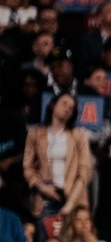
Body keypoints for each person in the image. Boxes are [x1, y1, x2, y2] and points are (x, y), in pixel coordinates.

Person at [22, 93, 93, 221]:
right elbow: (28, 167)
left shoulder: (79, 135)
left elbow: (85, 170)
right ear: (53, 105)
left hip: (71, 195)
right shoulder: (35, 133)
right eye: (64, 103)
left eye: (72, 107)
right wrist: (41, 187)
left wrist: (70, 203)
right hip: (44, 195)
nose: (68, 108)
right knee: (44, 238)